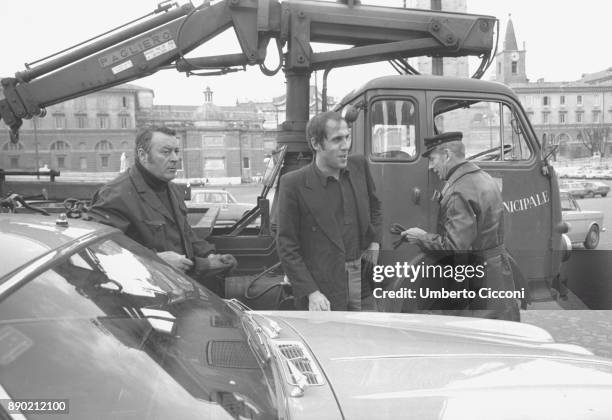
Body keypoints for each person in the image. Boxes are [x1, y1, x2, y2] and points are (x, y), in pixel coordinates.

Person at [88, 126, 237, 294]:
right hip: (145, 295)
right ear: (143, 155)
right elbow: (98, 252)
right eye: (166, 152)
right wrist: (154, 261)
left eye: (176, 151)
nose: (175, 158)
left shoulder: (171, 189)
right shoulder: (115, 195)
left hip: (180, 288)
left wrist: (209, 254)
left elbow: (186, 234)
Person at [401, 131, 520, 321]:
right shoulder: (485, 178)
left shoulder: (457, 191)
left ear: (447, 155)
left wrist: (421, 237)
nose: (431, 167)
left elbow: (454, 248)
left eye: (432, 159)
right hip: (497, 273)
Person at [277, 111, 382, 311]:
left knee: (369, 340)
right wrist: (311, 292)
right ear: (316, 144)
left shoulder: (359, 166)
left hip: (363, 280)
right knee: (334, 341)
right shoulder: (293, 184)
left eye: (347, 137)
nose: (346, 146)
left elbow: (376, 207)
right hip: (323, 288)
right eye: (337, 140)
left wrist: (375, 242)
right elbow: (287, 245)